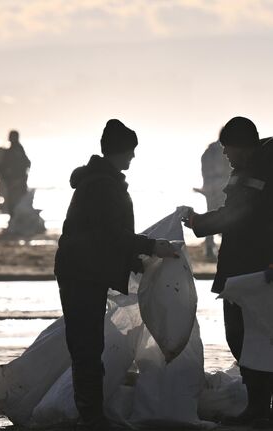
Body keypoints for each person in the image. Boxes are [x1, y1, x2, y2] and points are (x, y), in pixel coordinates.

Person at [54, 119, 178, 431]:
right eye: (130, 151)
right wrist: (151, 247)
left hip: (83, 269)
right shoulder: (102, 185)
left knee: (88, 345)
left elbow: (105, 236)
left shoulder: (100, 181)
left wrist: (136, 260)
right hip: (82, 273)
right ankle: (92, 417)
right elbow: (110, 233)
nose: (133, 158)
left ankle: (91, 413)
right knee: (87, 346)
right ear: (120, 151)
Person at [183, 116, 273, 429]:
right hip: (238, 270)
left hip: (266, 274)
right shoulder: (243, 174)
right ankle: (257, 404)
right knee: (239, 338)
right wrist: (200, 223)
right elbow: (233, 216)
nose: (225, 155)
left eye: (228, 148)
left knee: (271, 340)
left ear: (242, 146)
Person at [195, 141, 231, 260]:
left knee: (211, 215)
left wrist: (206, 186)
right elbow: (229, 169)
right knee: (226, 216)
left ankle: (210, 247)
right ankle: (221, 247)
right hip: (223, 186)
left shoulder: (209, 151)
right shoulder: (226, 148)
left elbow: (204, 169)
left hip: (210, 188)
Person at [0, 130, 31, 216]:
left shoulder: (16, 149)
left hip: (17, 180)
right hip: (13, 180)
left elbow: (25, 164)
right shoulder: (13, 150)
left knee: (16, 202)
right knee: (15, 202)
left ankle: (16, 219)